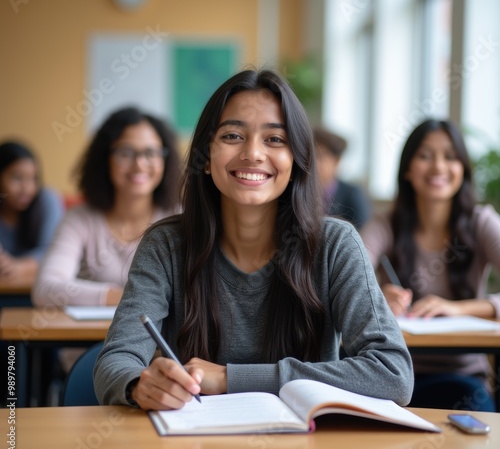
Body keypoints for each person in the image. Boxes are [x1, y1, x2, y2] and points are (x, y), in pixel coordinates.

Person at [94, 69, 413, 410]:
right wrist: (140, 385)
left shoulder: (334, 244)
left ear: (296, 159)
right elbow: (115, 363)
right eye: (232, 136)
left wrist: (232, 378)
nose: (253, 154)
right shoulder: (166, 245)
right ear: (205, 156)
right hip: (194, 442)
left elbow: (392, 374)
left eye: (274, 139)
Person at [361, 119, 500, 412]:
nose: (438, 167)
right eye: (425, 156)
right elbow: (344, 276)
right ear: (408, 170)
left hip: (463, 379)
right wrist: (378, 297)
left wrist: (460, 308)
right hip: (392, 376)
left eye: (450, 157)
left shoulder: (481, 222)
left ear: (462, 169)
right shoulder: (386, 224)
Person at [32, 106, 181, 308]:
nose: (139, 164)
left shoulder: (180, 217)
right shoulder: (80, 219)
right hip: (95, 338)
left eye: (151, 153)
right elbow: (46, 290)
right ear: (105, 159)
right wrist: (127, 297)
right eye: (126, 152)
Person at [0, 141, 63, 283]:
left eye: (33, 179)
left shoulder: (48, 200)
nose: (27, 189)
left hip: (37, 287)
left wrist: (17, 267)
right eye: (17, 178)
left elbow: (53, 251)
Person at [313, 127, 372, 230]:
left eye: (319, 156)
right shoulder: (295, 192)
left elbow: (364, 235)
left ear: (337, 161)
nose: (312, 163)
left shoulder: (353, 195)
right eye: (308, 156)